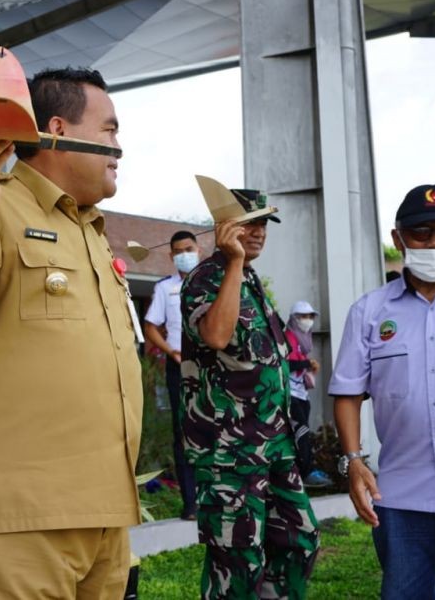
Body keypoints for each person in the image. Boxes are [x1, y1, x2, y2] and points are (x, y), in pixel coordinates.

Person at [0, 67, 142, 598]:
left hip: (105, 508)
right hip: (20, 512)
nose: (118, 147)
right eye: (108, 130)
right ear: (57, 129)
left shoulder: (90, 231)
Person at [330, 184, 435, 599]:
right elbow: (347, 392)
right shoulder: (369, 311)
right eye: (421, 232)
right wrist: (353, 460)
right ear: (399, 238)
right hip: (402, 489)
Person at [180, 186, 319, 599]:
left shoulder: (251, 279)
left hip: (273, 444)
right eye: (249, 223)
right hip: (230, 453)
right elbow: (217, 335)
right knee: (238, 563)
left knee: (300, 539)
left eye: (263, 224)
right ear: (225, 227)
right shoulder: (205, 278)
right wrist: (235, 260)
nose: (258, 232)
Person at [143, 229, 200, 520]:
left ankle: (220, 499)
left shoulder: (213, 283)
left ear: (198, 249)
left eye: (188, 249)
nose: (184, 255)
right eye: (178, 251)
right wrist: (171, 351)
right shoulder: (166, 289)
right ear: (171, 256)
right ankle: (191, 504)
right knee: (184, 436)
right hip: (180, 368)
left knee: (217, 431)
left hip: (212, 368)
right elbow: (150, 326)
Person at [284, 301, 331, 488]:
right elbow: (285, 364)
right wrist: (307, 364)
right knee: (301, 432)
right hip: (292, 394)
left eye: (311, 316)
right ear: (294, 318)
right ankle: (307, 472)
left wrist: (308, 366)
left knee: (302, 432)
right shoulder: (289, 338)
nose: (308, 320)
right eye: (303, 316)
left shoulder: (302, 339)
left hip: (301, 393)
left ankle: (302, 472)